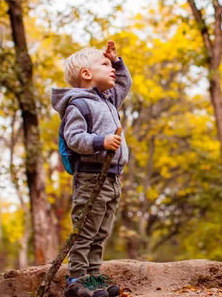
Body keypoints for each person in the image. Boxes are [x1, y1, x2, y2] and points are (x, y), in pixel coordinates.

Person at [51, 41, 132, 297]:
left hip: (112, 179)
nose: (113, 71)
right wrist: (101, 142)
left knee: (101, 231)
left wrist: (116, 61)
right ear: (86, 74)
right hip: (90, 177)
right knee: (85, 229)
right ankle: (76, 279)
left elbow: (124, 83)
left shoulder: (108, 100)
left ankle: (94, 277)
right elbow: (74, 138)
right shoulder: (79, 105)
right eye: (105, 66)